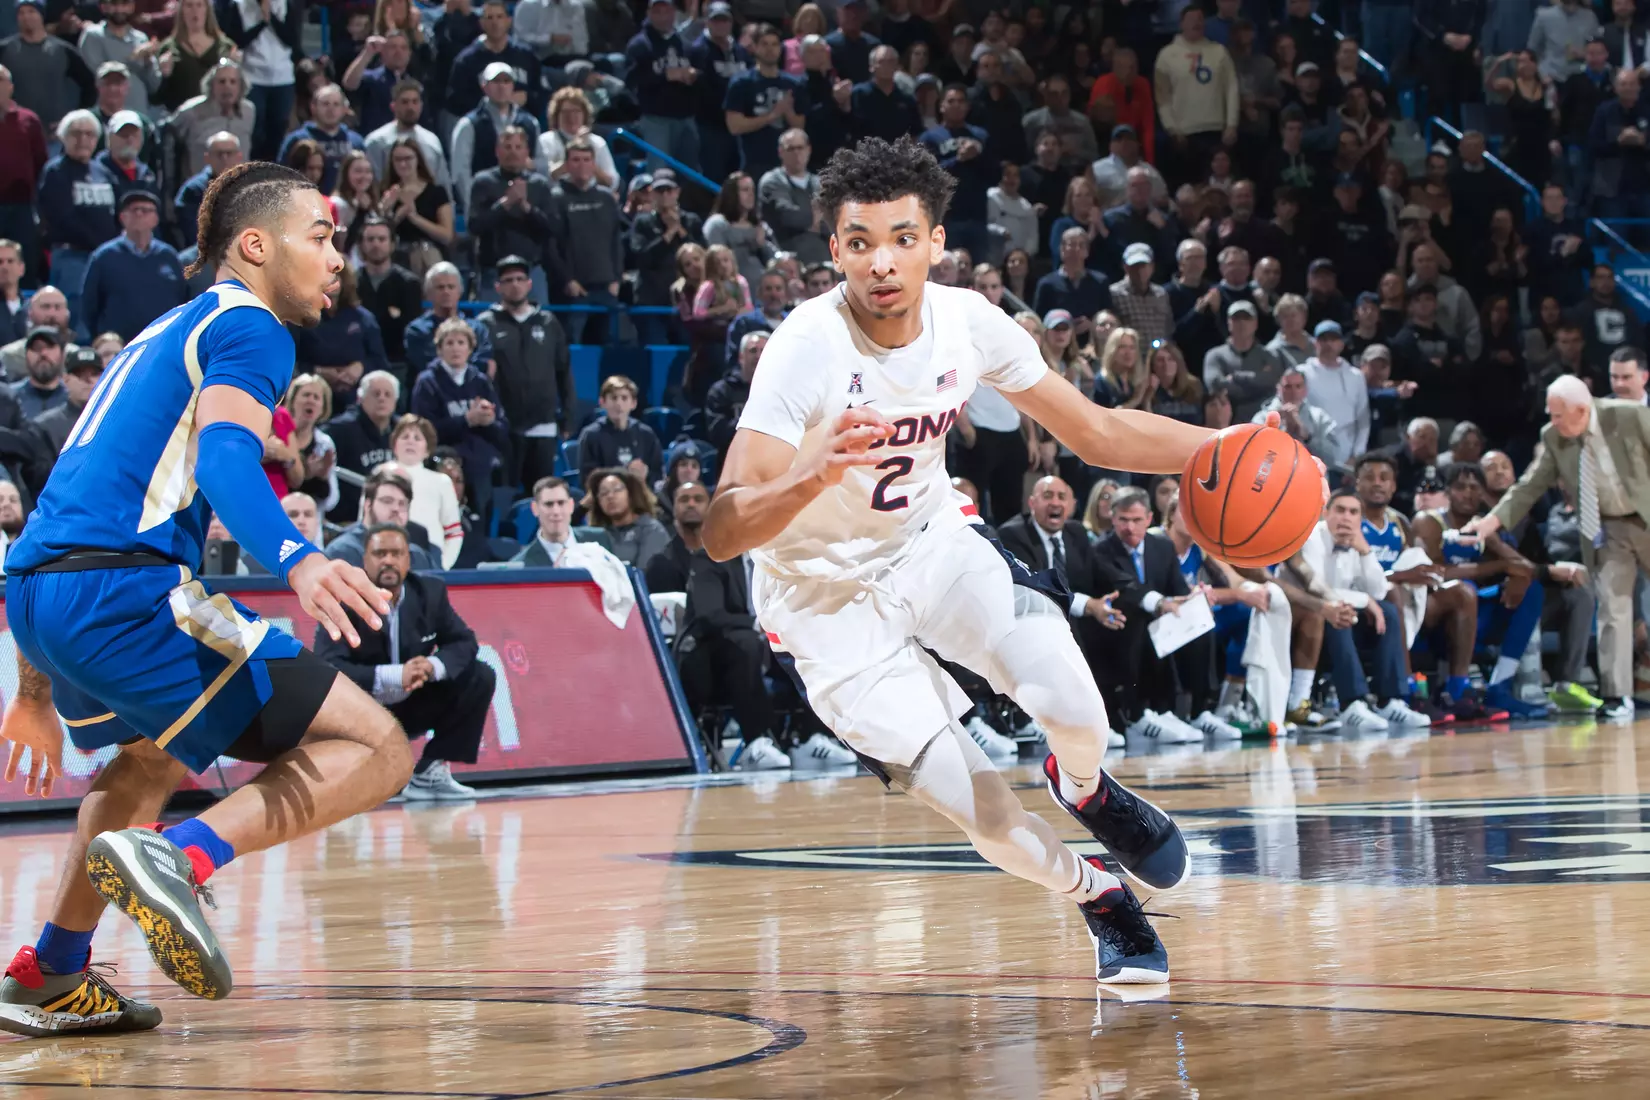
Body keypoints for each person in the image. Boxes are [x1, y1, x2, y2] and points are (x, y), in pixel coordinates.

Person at [700, 136, 1267, 987]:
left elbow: (1097, 431)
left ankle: (1085, 787)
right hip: (821, 604)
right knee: (988, 818)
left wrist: (1224, 446)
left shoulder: (968, 322)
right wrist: (810, 474)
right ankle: (1100, 895)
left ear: (935, 243)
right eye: (860, 242)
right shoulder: (804, 347)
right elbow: (720, 530)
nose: (882, 262)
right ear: (835, 252)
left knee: (1078, 709)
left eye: (902, 238)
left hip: (931, 545)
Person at [0, 161, 414, 1035]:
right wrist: (301, 560)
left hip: (41, 594)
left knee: (150, 759)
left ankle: (51, 973)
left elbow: (60, 504)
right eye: (321, 236)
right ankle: (183, 857)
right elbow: (228, 458)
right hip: (124, 590)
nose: (337, 257)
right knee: (378, 747)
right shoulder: (254, 326)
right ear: (256, 245)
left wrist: (32, 689)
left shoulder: (159, 334)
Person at [1468, 375, 1650, 721]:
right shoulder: (1553, 436)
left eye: (1558, 415)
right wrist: (1489, 523)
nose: (1552, 421)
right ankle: (1616, 695)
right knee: (1612, 608)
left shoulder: (1629, 415)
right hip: (1609, 528)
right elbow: (1529, 486)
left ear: (1582, 410)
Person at [314, 524, 495, 800]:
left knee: (480, 675)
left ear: (408, 560)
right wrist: (397, 675)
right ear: (364, 561)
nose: (388, 560)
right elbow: (328, 667)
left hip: (412, 704)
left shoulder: (430, 592)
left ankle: (430, 772)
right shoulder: (343, 600)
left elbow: (464, 641)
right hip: (362, 710)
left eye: (396, 553)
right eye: (380, 554)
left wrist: (432, 667)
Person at [1415, 462, 1548, 720]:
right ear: (1447, 492)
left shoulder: (1487, 525)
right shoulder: (1429, 522)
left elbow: (1524, 567)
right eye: (1460, 487)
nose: (1468, 494)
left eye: (1475, 488)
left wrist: (1500, 549)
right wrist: (1500, 566)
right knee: (1464, 591)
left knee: (1532, 589)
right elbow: (1434, 573)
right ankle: (1455, 689)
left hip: (1477, 618)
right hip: (1438, 623)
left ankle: (1499, 686)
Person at [1301, 489, 1430, 729]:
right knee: (1341, 614)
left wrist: (1366, 552)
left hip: (1343, 620)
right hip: (1310, 620)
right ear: (1325, 513)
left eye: (1353, 512)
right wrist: (1365, 601)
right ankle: (1352, 703)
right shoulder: (1313, 539)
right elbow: (1317, 590)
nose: (1346, 518)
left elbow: (1379, 590)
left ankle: (1390, 701)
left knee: (1388, 612)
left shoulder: (1357, 542)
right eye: (1340, 510)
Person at [478, 255, 573, 490]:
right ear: (498, 287)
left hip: (543, 423)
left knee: (542, 492)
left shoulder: (548, 322)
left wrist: (568, 416)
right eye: (508, 280)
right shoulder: (486, 324)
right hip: (503, 427)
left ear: (530, 284)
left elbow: (563, 371)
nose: (515, 284)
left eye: (520, 279)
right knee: (504, 493)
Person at [410, 317, 509, 513]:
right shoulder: (427, 382)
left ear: (470, 349)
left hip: (480, 466)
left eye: (461, 343)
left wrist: (489, 422)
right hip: (442, 464)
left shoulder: (480, 381)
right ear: (439, 349)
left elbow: (502, 427)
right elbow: (425, 431)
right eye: (449, 343)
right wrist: (467, 420)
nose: (455, 348)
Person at [81, 190, 188, 342]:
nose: (139, 214)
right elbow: (89, 306)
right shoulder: (104, 257)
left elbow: (182, 298)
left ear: (156, 219)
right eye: (134, 210)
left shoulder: (169, 256)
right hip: (119, 346)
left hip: (162, 342)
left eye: (146, 210)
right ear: (122, 217)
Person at [326, 466, 438, 570]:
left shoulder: (418, 556)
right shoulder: (343, 551)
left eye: (402, 504)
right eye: (387, 501)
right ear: (367, 505)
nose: (396, 509)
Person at [387, 414, 463, 568]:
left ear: (427, 449)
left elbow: (454, 531)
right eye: (405, 436)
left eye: (417, 438)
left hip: (429, 556)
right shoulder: (379, 475)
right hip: (387, 552)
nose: (410, 441)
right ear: (395, 445)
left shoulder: (441, 482)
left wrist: (443, 565)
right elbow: (365, 522)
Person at [327, 370, 399, 521]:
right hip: (348, 518)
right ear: (360, 398)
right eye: (376, 394)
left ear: (395, 400)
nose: (382, 398)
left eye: (387, 394)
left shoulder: (403, 431)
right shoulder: (341, 429)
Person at [276, 84, 367, 194]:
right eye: (325, 104)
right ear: (313, 107)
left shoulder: (356, 141)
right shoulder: (297, 140)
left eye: (336, 104)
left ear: (344, 109)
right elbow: (281, 178)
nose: (331, 109)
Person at [364, 79, 450, 191]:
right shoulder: (377, 142)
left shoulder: (431, 140)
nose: (410, 108)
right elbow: (373, 184)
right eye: (405, 102)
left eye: (415, 102)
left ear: (421, 106)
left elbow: (442, 183)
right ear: (393, 106)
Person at [577, 373, 664, 483]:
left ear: (633, 403)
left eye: (624, 398)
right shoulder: (591, 435)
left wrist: (646, 474)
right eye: (614, 398)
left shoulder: (646, 434)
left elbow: (658, 475)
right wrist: (624, 474)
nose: (619, 403)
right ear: (602, 402)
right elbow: (587, 478)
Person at [512, 474, 615, 563]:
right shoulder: (521, 564)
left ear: (571, 505)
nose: (556, 511)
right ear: (535, 508)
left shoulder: (599, 539)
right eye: (548, 504)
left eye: (561, 503)